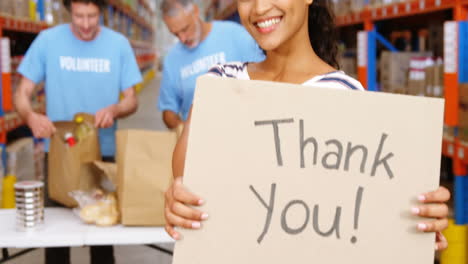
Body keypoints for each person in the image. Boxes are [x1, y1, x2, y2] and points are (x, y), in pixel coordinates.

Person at [164, 0, 450, 251]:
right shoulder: (220, 83)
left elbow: (366, 215)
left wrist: (414, 223)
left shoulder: (346, 96)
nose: (260, 7)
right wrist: (176, 200)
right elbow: (187, 182)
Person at [14, 0, 142, 263]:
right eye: (78, 16)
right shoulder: (47, 41)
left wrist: (116, 109)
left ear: (102, 12)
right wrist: (30, 115)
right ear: (67, 11)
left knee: (103, 237)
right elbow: (22, 92)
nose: (85, 24)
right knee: (57, 237)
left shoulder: (118, 44)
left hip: (102, 156)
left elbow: (132, 99)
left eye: (92, 16)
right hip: (60, 154)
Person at [157, 0, 265, 129]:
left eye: (185, 29)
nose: (182, 38)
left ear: (195, 12)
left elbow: (266, 81)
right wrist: (184, 131)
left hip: (245, 127)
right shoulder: (171, 60)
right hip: (197, 138)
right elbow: (168, 111)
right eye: (175, 34)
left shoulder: (236, 36)